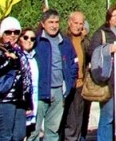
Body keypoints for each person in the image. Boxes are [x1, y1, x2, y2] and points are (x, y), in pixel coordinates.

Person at [0, 17, 34, 141]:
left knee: (19, 135)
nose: (12, 35)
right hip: (4, 98)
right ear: (2, 33)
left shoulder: (19, 51)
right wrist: (9, 62)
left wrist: (28, 102)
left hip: (19, 99)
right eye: (8, 32)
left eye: (16, 32)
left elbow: (25, 79)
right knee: (5, 136)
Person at [31, 9, 78, 141]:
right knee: (33, 131)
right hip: (40, 92)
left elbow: (74, 62)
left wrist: (69, 82)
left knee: (52, 131)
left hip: (58, 92)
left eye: (56, 22)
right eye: (50, 22)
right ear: (43, 23)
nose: (54, 25)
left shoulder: (65, 41)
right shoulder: (36, 40)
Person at [92, 6, 116, 141]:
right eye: (114, 16)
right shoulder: (101, 33)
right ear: (109, 18)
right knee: (108, 116)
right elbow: (92, 51)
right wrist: (107, 49)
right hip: (108, 81)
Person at [61, 12, 90, 141]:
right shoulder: (63, 39)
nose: (78, 26)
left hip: (80, 85)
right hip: (68, 84)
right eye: (75, 23)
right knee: (70, 121)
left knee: (79, 119)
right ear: (69, 23)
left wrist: (86, 37)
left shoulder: (83, 40)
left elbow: (90, 53)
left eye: (80, 23)